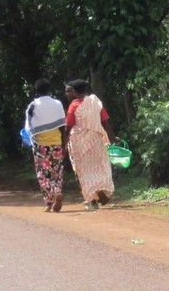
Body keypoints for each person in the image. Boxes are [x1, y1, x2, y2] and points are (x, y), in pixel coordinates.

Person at [64, 79, 116, 211]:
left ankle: (91, 200)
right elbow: (105, 122)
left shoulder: (74, 106)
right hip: (96, 140)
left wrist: (63, 144)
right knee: (100, 167)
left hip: (79, 143)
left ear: (75, 91)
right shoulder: (95, 102)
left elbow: (68, 127)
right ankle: (102, 190)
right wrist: (112, 137)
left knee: (83, 171)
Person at [24, 79, 67, 212]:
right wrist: (64, 144)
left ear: (36, 90)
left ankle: (48, 203)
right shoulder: (57, 104)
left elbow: (28, 126)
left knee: (43, 173)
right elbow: (62, 126)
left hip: (40, 145)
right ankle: (57, 190)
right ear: (49, 89)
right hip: (57, 143)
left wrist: (33, 140)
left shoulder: (33, 105)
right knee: (57, 171)